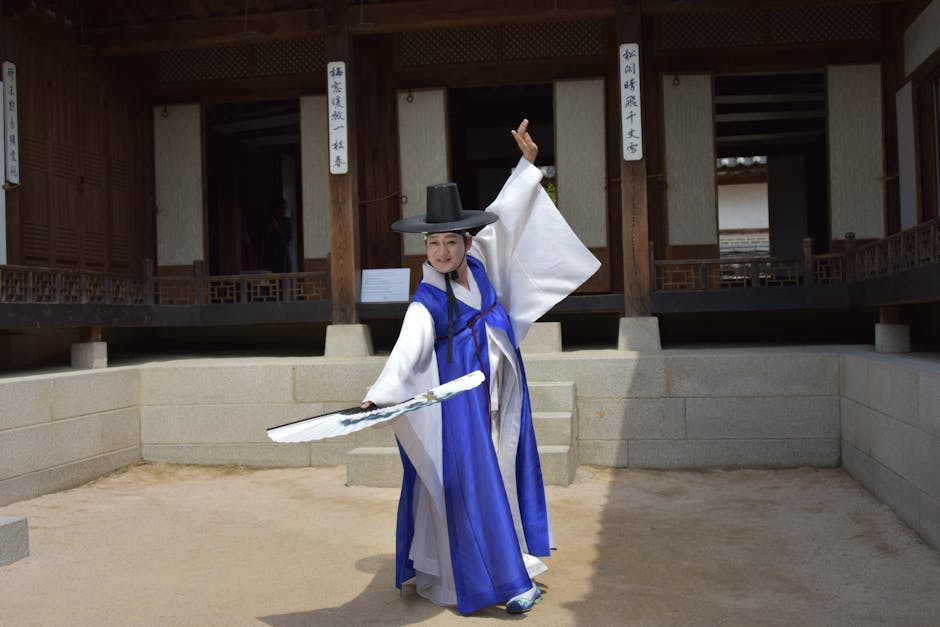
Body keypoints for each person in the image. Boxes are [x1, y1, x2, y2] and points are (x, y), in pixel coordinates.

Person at [361, 119, 599, 615]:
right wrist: (378, 396)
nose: (442, 251)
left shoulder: (482, 261)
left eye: (450, 242)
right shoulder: (424, 302)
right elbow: (404, 355)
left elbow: (506, 214)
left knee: (506, 477)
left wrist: (529, 166)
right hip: (460, 412)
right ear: (424, 248)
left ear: (467, 241)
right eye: (432, 245)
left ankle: (514, 559)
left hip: (500, 396)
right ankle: (506, 583)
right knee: (477, 490)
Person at [257, 198, 292, 272]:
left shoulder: (286, 221)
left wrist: (277, 228)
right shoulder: (269, 220)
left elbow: (288, 237)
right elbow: (263, 237)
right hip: (270, 255)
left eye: (285, 208)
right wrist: (271, 227)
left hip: (283, 255)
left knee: (284, 277)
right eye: (282, 208)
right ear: (277, 208)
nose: (284, 211)